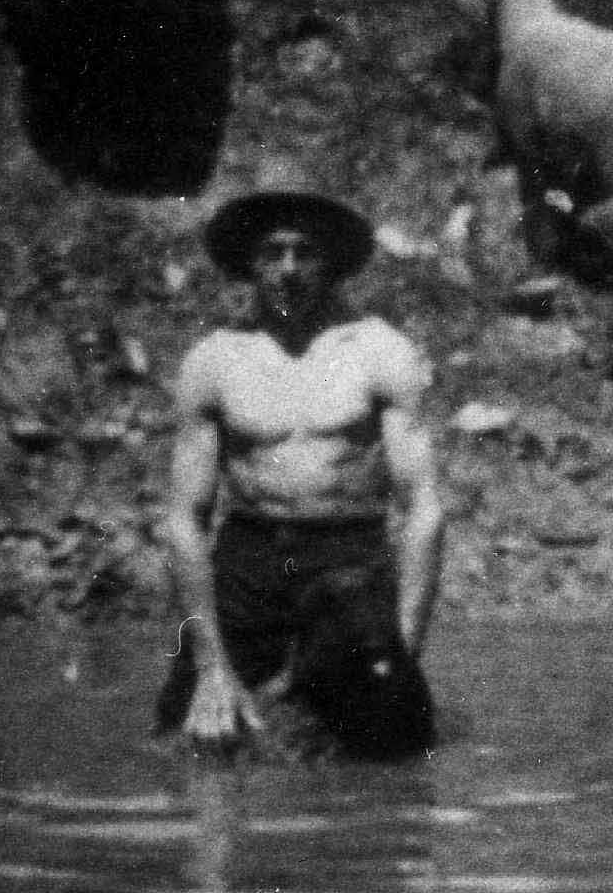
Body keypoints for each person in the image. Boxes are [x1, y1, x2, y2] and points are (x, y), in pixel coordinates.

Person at [155, 166, 443, 759]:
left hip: (349, 562)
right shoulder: (213, 362)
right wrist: (211, 666)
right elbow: (184, 522)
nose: (288, 269)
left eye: (304, 252)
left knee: (397, 733)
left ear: (330, 262)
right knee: (181, 735)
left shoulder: (381, 352)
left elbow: (423, 513)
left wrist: (404, 650)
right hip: (249, 562)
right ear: (249, 264)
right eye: (272, 252)